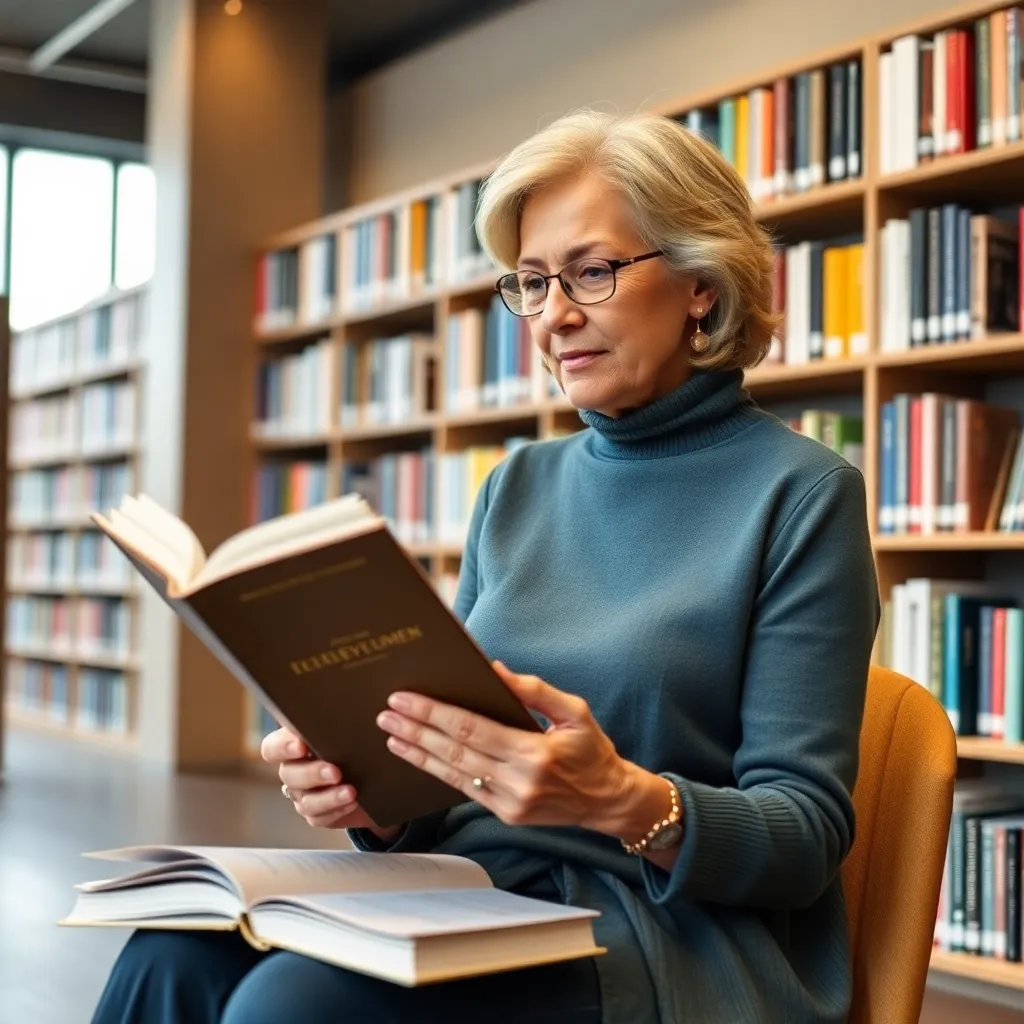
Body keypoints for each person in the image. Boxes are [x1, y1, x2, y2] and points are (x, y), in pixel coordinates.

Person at [90, 108, 880, 1024]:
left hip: (660, 933)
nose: (554, 316)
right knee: (172, 953)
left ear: (700, 284)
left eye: (591, 272)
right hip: (473, 887)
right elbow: (447, 789)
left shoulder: (801, 494)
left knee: (291, 1006)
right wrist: (375, 800)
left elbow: (804, 836)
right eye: (533, 282)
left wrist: (621, 799)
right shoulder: (518, 485)